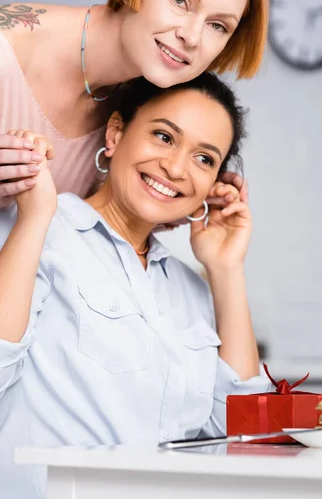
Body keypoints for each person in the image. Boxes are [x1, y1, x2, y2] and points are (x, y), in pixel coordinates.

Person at [0, 73, 270, 496]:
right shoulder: (38, 232)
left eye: (204, 159)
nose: (177, 168)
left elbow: (246, 434)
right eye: (164, 136)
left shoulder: (189, 290)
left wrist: (226, 270)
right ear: (116, 132)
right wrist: (33, 217)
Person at [0, 0, 268, 207]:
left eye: (217, 26)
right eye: (180, 0)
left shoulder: (141, 112)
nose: (191, 37)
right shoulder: (7, 48)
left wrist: (181, 203)